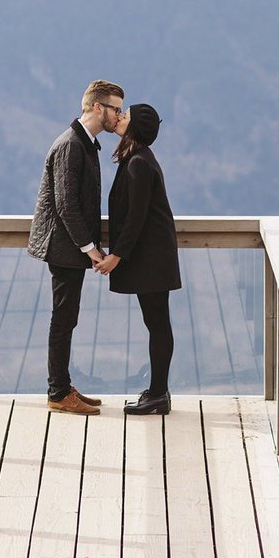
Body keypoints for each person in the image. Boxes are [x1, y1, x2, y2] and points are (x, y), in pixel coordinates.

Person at [27, 80, 125, 415]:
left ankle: (63, 387)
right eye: (115, 109)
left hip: (68, 247)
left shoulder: (84, 143)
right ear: (98, 108)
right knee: (63, 318)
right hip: (64, 248)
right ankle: (57, 392)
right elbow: (66, 204)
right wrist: (91, 249)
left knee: (67, 317)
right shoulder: (71, 145)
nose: (119, 116)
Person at [96, 104, 181, 415]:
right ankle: (158, 391)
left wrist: (116, 256)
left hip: (152, 258)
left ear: (135, 127)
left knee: (157, 324)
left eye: (126, 115)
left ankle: (158, 394)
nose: (119, 117)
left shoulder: (138, 163)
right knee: (157, 323)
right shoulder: (139, 158)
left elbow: (136, 217)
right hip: (153, 256)